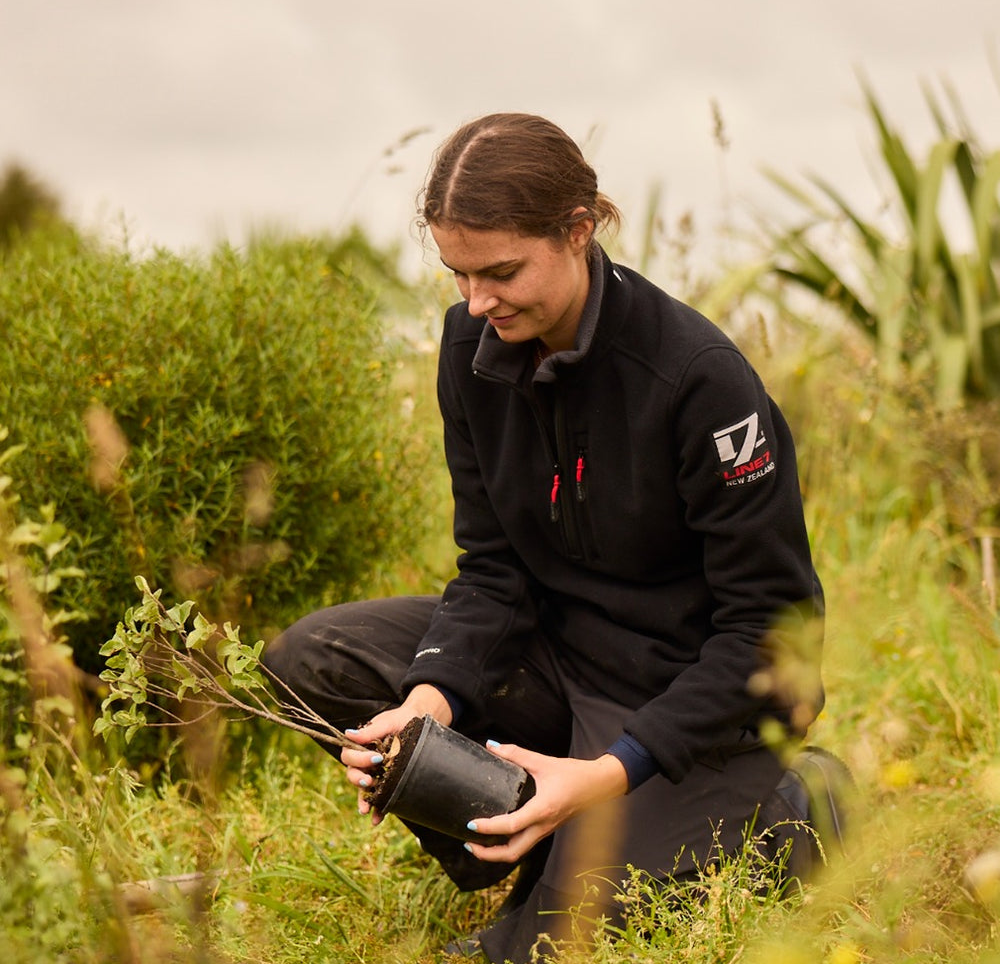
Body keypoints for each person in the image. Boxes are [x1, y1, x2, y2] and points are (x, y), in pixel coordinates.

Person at [263, 112, 834, 963]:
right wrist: (429, 706)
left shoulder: (699, 381)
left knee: (541, 951)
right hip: (560, 663)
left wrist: (611, 771)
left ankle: (796, 808)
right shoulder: (472, 345)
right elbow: (492, 569)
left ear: (578, 231)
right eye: (458, 274)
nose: (475, 303)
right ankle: (526, 839)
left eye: (499, 273)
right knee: (313, 661)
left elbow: (771, 633)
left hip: (696, 703)